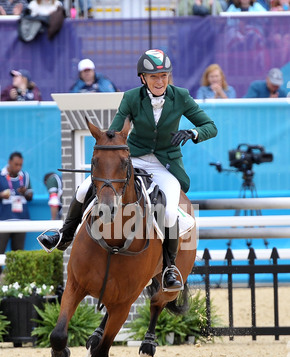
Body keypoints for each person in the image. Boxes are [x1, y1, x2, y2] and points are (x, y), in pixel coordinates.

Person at [39, 49, 217, 291]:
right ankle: (64, 234)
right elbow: (114, 131)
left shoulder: (181, 97)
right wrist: (107, 145)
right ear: (142, 78)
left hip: (165, 165)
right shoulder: (132, 98)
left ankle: (169, 268)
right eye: (154, 77)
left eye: (164, 76)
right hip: (134, 160)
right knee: (83, 188)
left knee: (169, 214)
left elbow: (210, 126)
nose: (160, 81)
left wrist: (192, 133)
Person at [0, 152, 33, 261]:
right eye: (16, 164)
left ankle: (16, 278)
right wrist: (1, 195)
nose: (18, 167)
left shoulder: (25, 176)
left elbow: (30, 197)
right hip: (4, 220)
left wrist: (24, 193)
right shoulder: (1, 175)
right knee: (0, 251)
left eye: (20, 165)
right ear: (9, 162)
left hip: (21, 219)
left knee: (18, 252)